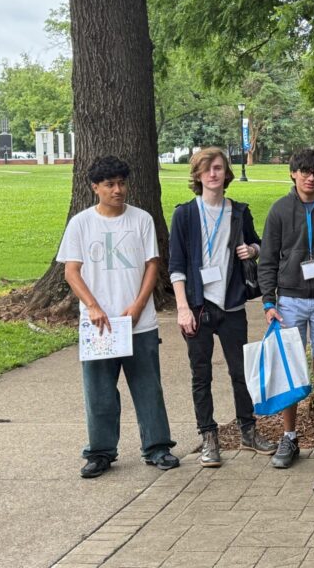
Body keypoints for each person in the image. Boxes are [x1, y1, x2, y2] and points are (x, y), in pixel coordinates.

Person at [57, 155, 178, 478]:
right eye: (110, 184)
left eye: (122, 183)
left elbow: (152, 265)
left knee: (147, 386)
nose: (118, 190)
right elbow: (72, 271)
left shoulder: (141, 220)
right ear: (95, 187)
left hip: (138, 321)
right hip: (99, 325)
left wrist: (139, 305)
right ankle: (100, 452)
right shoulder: (81, 224)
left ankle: (157, 447)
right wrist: (93, 306)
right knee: (99, 391)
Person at [169, 147, 275, 467]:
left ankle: (247, 429)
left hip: (230, 304)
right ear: (198, 175)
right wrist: (182, 308)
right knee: (201, 375)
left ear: (226, 173)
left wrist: (251, 249)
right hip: (199, 307)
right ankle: (209, 437)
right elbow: (176, 265)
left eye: (219, 168)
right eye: (208, 169)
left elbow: (259, 244)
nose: (214, 174)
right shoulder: (185, 214)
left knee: (240, 372)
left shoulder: (238, 212)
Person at [258, 149, 314, 468]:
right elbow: (267, 259)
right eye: (304, 171)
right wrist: (268, 301)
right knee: (289, 369)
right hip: (289, 298)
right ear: (292, 173)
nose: (310, 177)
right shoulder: (279, 210)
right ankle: (289, 437)